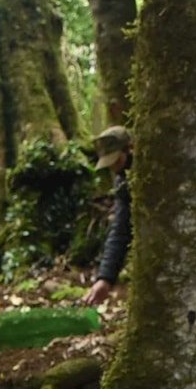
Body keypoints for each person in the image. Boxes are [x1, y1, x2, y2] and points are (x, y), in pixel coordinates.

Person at [82, 125, 133, 305]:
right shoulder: (123, 180)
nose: (113, 168)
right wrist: (105, 278)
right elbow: (120, 229)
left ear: (130, 149)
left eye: (116, 161)